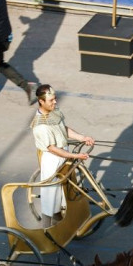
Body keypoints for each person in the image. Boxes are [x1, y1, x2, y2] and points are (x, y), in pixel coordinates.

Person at [30, 85, 95, 227]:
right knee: (51, 194)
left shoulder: (54, 111)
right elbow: (52, 149)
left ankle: (61, 218)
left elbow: (63, 128)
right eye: (51, 100)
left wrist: (82, 137)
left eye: (55, 99)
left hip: (63, 153)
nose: (55, 102)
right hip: (52, 159)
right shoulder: (39, 126)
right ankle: (46, 228)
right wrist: (75, 155)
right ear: (41, 101)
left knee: (66, 188)